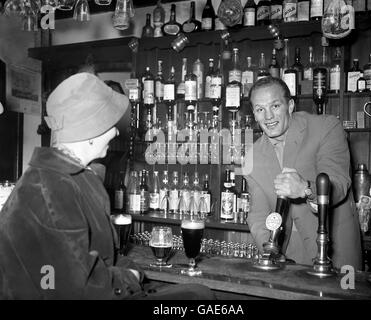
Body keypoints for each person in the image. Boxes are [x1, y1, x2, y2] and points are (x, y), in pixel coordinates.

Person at [0, 72, 215, 300]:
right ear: (90, 131)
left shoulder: (82, 177)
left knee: (197, 293)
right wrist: (130, 276)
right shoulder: (50, 189)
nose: (116, 131)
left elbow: (106, 256)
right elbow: (78, 290)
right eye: (110, 123)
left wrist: (130, 270)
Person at [242, 77, 362, 270]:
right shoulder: (251, 157)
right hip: (288, 255)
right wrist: (271, 250)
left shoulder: (326, 127)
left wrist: (306, 189)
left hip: (335, 250)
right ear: (254, 116)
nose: (268, 116)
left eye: (275, 106)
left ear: (290, 106)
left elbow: (338, 184)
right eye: (260, 110)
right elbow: (258, 215)